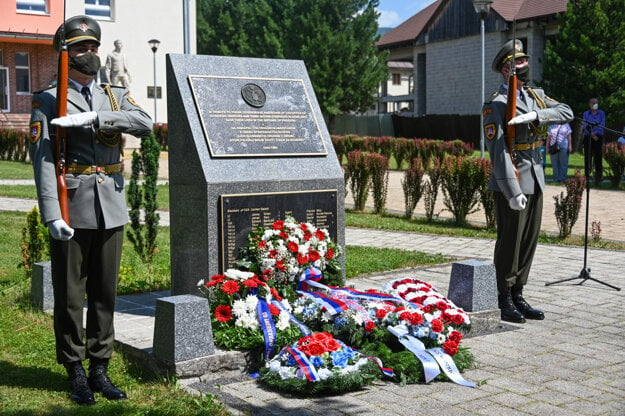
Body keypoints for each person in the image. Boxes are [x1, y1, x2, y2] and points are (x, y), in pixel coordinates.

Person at [28, 15, 152, 405]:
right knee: (69, 295)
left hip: (110, 206)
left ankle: (100, 365)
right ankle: (75, 368)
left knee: (104, 293)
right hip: (72, 206)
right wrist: (52, 214)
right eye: (81, 47)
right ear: (66, 53)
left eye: (94, 46)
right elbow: (44, 160)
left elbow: (145, 122)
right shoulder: (48, 98)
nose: (91, 53)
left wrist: (98, 116)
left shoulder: (112, 94)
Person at [482, 39, 573, 323]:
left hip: (535, 176)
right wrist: (511, 190)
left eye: (524, 61)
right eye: (518, 62)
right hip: (513, 179)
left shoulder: (535, 96)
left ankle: (519, 293)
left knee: (529, 241)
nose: (525, 65)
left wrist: (536, 114)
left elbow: (566, 112)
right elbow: (497, 151)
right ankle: (503, 297)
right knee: (510, 241)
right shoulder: (496, 104)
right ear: (506, 69)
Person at [582, 98, 606, 183]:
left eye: (596, 102)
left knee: (598, 157)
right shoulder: (586, 114)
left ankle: (598, 177)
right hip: (588, 137)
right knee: (588, 157)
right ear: (590, 104)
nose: (595, 104)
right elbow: (585, 125)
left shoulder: (602, 113)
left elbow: (602, 125)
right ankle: (587, 176)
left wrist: (595, 134)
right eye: (593, 103)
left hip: (598, 138)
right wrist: (592, 134)